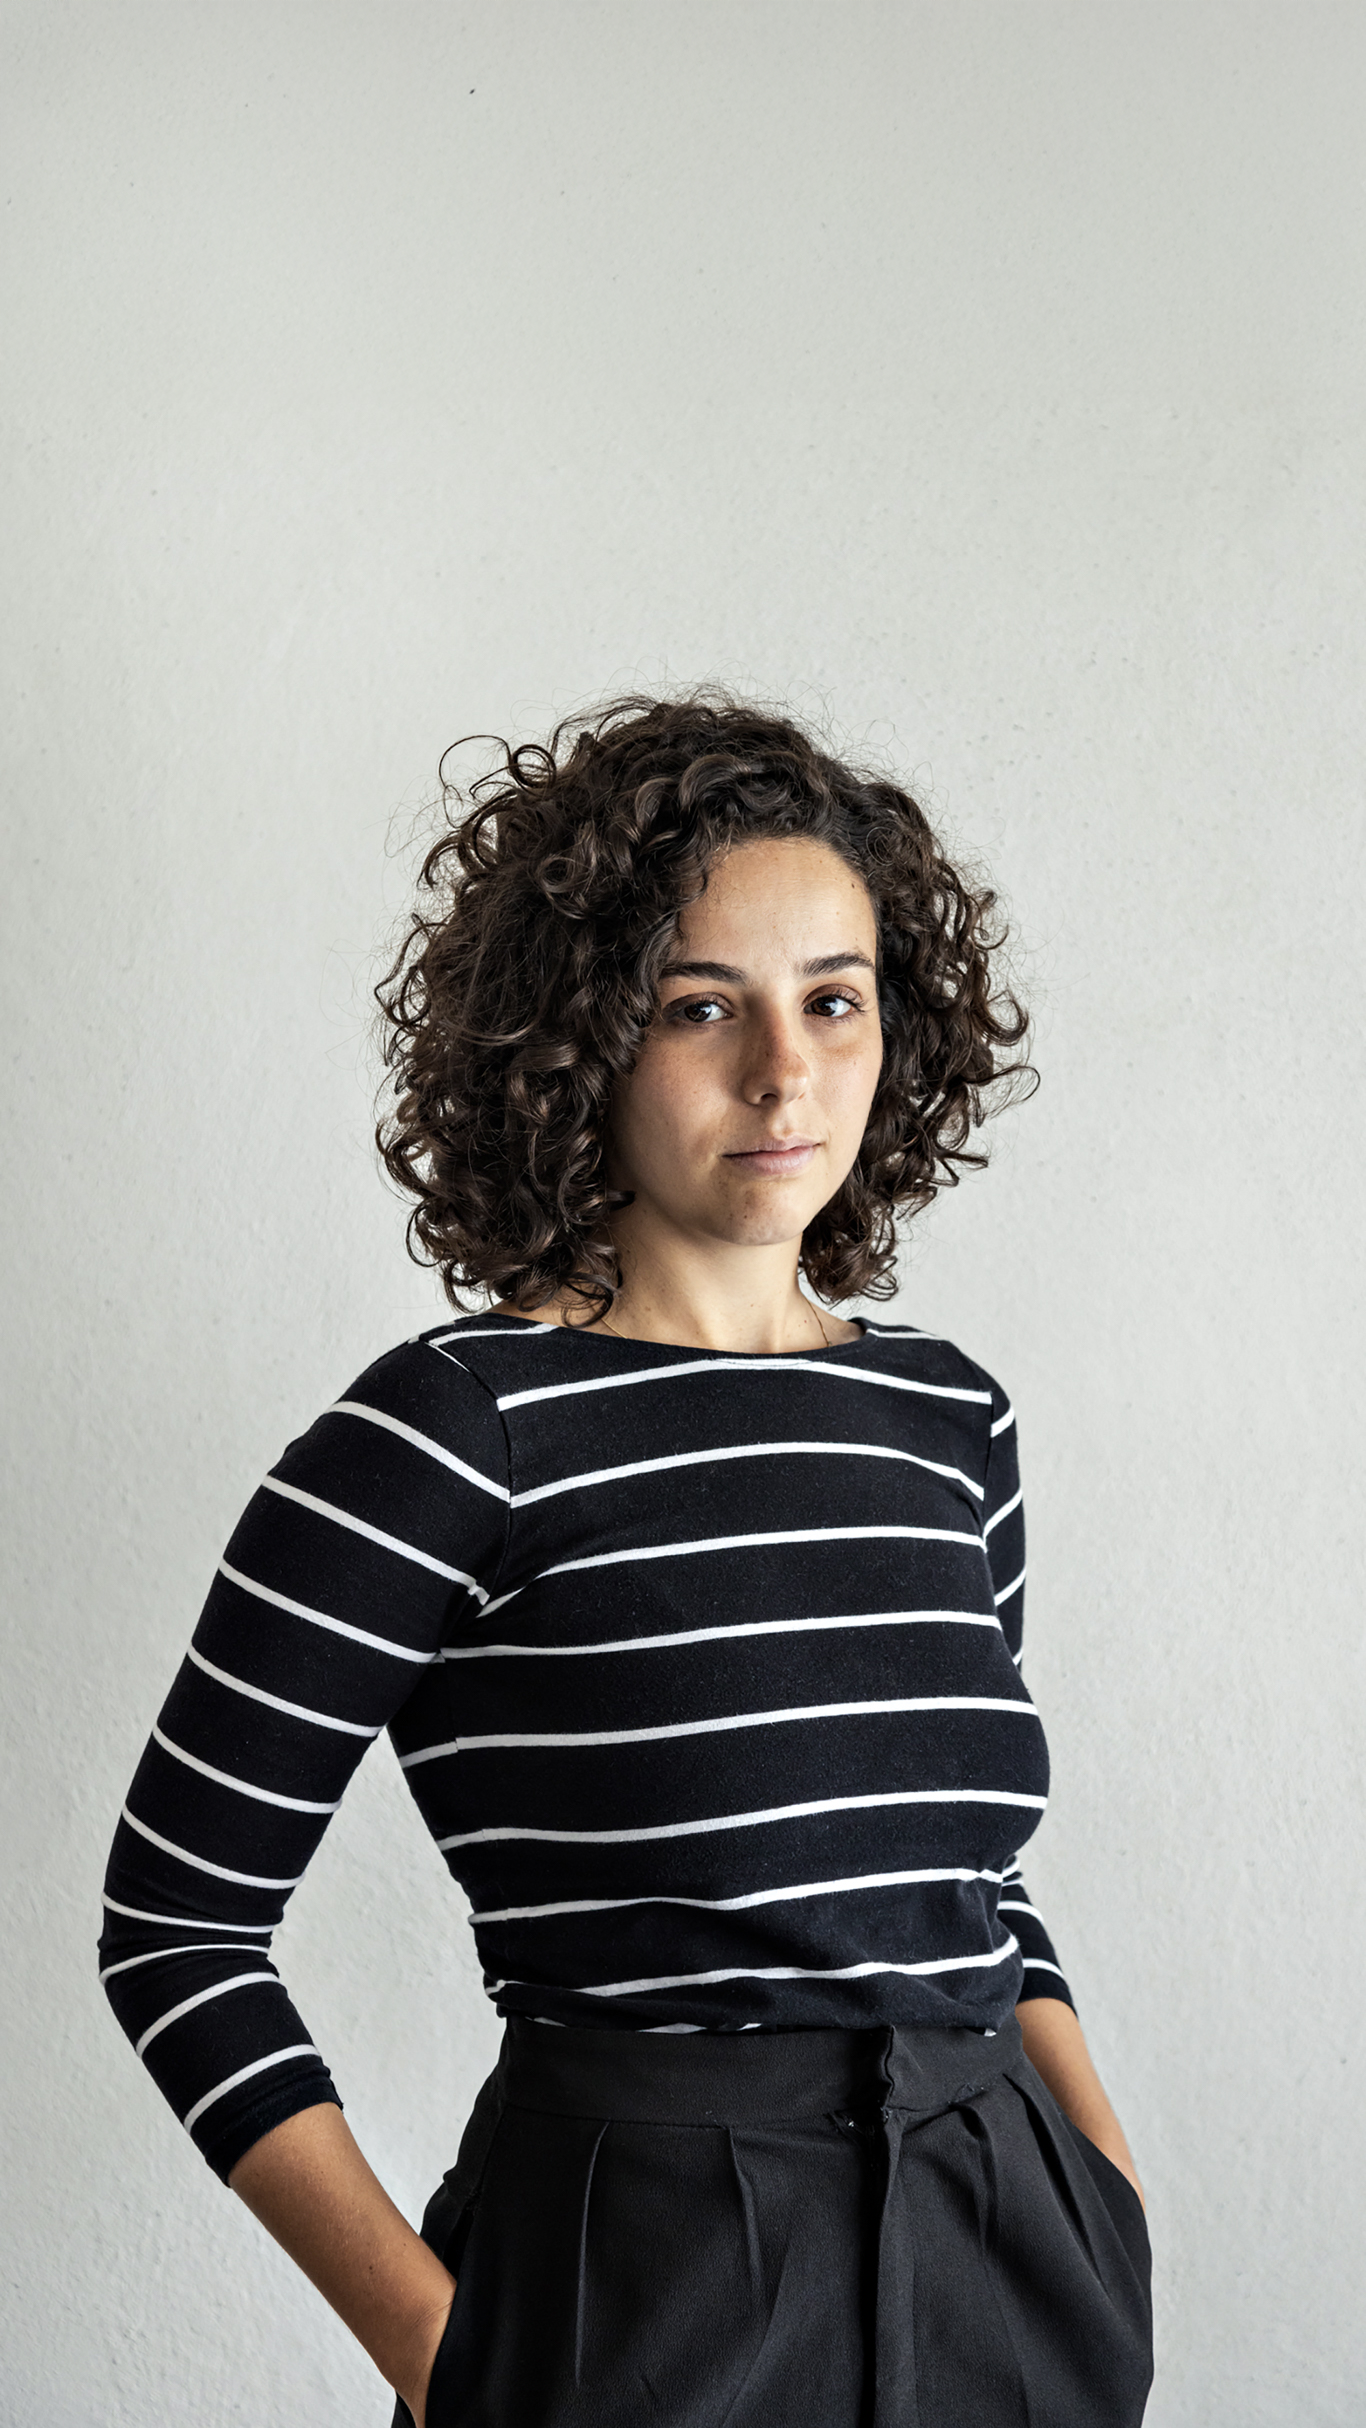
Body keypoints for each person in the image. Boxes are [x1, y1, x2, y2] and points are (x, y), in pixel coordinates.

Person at [101, 692, 1152, 2426]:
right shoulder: (450, 1432)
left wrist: (1099, 2201)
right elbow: (177, 1927)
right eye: (698, 1006)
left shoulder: (946, 1418)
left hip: (1005, 2261)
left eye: (833, 1000)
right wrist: (449, 2357)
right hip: (644, 2290)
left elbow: (964, 1878)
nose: (783, 1072)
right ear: (577, 1039)